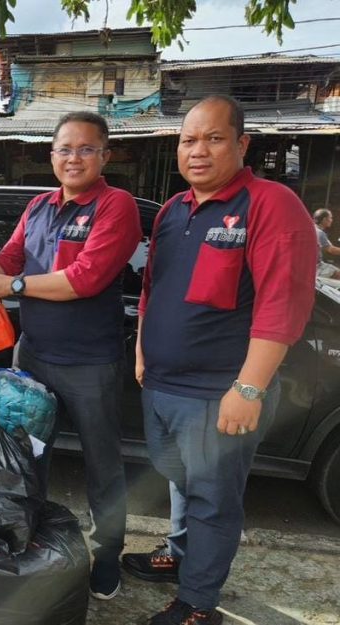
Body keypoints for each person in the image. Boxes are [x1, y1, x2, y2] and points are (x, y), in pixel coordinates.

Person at [123, 95, 316, 625]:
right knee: (178, 479)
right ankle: (182, 557)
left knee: (212, 498)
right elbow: (151, 289)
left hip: (218, 393)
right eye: (189, 140)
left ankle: (197, 604)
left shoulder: (269, 203)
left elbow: (284, 303)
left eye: (213, 138)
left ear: (241, 143)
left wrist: (249, 388)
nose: (198, 151)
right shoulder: (172, 210)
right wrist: (143, 347)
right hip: (162, 384)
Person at [0, 111, 142, 601]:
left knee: (102, 465)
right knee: (25, 458)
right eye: (64, 149)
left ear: (105, 156)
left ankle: (107, 556)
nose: (74, 158)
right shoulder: (38, 206)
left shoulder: (116, 207)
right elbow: (8, 259)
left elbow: (87, 278)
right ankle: (26, 537)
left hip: (90, 362)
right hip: (31, 357)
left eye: (86, 148)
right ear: (51, 156)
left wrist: (11, 285)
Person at [313, 208, 340, 279]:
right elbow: (332, 250)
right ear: (324, 219)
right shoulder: (320, 233)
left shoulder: (312, 229)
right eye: (330, 218)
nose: (331, 220)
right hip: (317, 267)